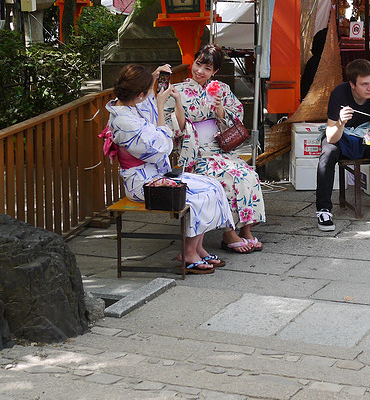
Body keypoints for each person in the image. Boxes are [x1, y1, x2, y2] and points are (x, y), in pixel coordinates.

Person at [105, 64, 234, 273]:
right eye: (147, 90)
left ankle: (197, 247)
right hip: (142, 183)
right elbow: (161, 148)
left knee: (213, 185)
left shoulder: (128, 107)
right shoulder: (124, 121)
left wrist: (153, 79)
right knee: (198, 195)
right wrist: (162, 106)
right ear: (139, 94)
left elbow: (146, 106)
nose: (151, 94)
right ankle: (188, 252)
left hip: (155, 175)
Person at [173, 45, 267, 254]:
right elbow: (174, 126)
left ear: (214, 71)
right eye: (198, 64)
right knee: (229, 178)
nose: (200, 71)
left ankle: (246, 229)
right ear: (193, 61)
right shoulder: (178, 90)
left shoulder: (221, 89)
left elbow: (237, 115)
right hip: (197, 152)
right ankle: (229, 232)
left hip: (221, 150)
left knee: (248, 174)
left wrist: (220, 110)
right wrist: (180, 106)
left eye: (207, 68)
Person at [314, 59, 370, 230]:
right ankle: (323, 209)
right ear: (352, 84)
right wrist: (341, 122)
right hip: (340, 134)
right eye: (364, 84)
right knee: (328, 153)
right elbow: (330, 137)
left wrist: (366, 143)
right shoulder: (339, 94)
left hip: (365, 134)